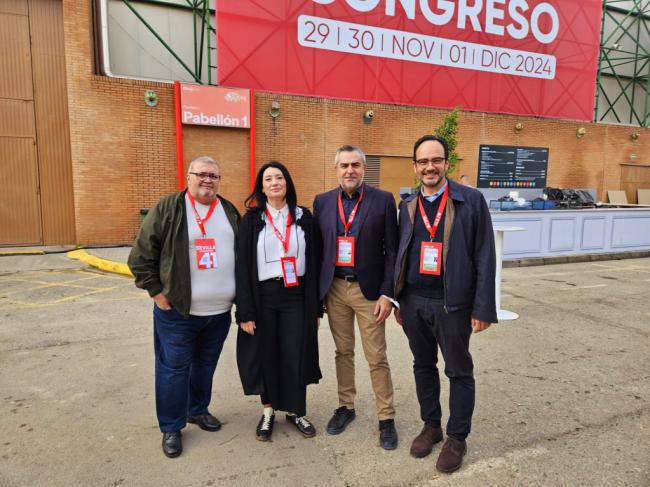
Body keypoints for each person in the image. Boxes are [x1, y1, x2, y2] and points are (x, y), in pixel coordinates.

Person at [393, 135, 497, 473]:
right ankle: (432, 426)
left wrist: (483, 308)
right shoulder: (407, 204)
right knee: (422, 366)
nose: (429, 167)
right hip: (413, 302)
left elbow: (484, 255)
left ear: (446, 163)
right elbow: (399, 253)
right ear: (415, 166)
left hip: (452, 304)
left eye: (435, 160)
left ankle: (457, 437)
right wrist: (397, 299)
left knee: (458, 370)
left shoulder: (470, 200)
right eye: (423, 161)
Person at [128, 156, 240, 458]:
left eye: (214, 175)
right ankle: (171, 426)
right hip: (177, 312)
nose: (208, 180)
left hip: (218, 313)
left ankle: (197, 409)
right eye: (201, 174)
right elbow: (140, 257)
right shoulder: (169, 208)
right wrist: (156, 292)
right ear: (188, 177)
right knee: (173, 369)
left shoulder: (228, 210)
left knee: (205, 365)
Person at [313, 144, 399, 450]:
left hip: (369, 292)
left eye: (355, 165)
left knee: (376, 356)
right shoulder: (322, 202)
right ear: (336, 169)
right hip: (335, 288)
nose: (349, 170)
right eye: (344, 165)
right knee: (343, 352)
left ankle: (386, 417)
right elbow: (317, 251)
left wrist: (388, 294)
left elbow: (393, 252)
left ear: (363, 168)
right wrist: (317, 293)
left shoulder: (383, 200)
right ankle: (346, 407)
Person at [236, 161, 322, 442]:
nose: (275, 183)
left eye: (280, 178)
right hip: (263, 297)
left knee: (295, 352)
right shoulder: (251, 220)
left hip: (295, 295)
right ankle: (269, 410)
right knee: (267, 354)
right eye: (269, 179)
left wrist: (315, 308)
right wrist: (245, 310)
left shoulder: (303, 217)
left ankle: (297, 411)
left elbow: (315, 262)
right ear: (261, 186)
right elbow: (242, 267)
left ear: (288, 183)